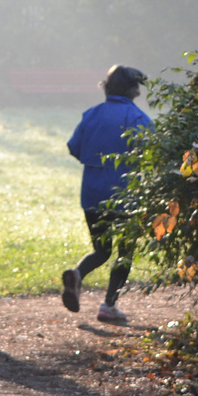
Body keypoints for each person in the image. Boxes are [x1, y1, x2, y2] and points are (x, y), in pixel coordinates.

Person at [61, 65, 152, 323]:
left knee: (101, 250)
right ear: (134, 90)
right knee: (124, 252)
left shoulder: (91, 115)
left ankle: (78, 274)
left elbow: (74, 147)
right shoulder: (137, 119)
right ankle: (108, 305)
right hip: (124, 195)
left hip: (91, 194)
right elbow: (153, 152)